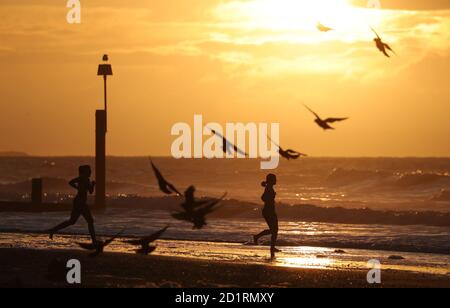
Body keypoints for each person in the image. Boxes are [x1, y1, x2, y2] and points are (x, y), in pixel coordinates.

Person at [48, 165, 97, 246]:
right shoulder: (81, 178)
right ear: (84, 172)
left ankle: (53, 230)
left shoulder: (87, 179)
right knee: (90, 221)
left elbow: (90, 191)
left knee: (72, 221)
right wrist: (77, 188)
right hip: (80, 202)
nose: (90, 172)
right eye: (89, 171)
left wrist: (93, 185)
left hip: (78, 202)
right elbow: (71, 182)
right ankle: (94, 241)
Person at [253, 174, 280, 259]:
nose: (276, 180)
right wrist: (271, 197)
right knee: (274, 230)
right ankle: (258, 238)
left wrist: (271, 197)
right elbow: (263, 197)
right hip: (268, 211)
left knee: (274, 230)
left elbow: (264, 197)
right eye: (275, 179)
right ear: (271, 180)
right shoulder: (268, 188)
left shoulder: (269, 187)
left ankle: (271, 247)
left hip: (269, 211)